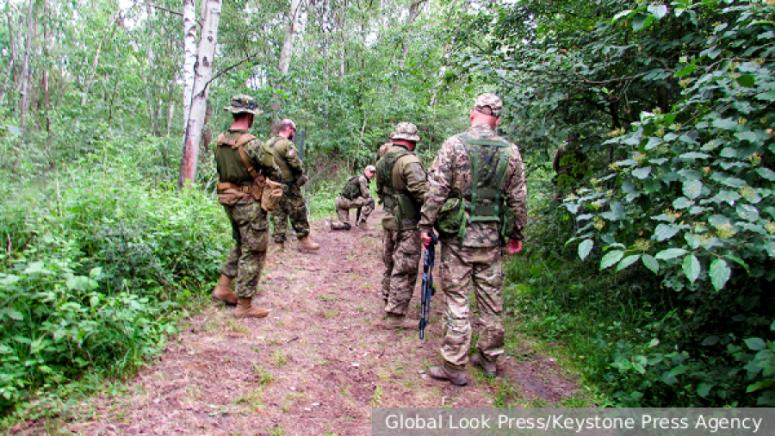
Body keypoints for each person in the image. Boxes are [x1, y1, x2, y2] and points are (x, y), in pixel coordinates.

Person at [418, 93, 527, 385]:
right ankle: (489, 358)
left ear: (472, 114)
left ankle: (455, 366)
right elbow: (518, 198)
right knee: (491, 300)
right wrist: (516, 233)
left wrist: (425, 225)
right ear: (498, 120)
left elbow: (436, 190)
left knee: (457, 298)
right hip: (492, 239)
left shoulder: (454, 145)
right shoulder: (511, 152)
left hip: (458, 239)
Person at [211, 95, 284, 318]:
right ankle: (244, 304)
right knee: (254, 250)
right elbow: (274, 170)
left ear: (234, 113)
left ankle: (223, 287)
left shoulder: (220, 141)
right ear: (250, 117)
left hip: (228, 200)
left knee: (240, 243)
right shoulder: (251, 144)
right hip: (248, 203)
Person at [375, 122, 429, 329]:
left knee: (390, 262)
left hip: (389, 220)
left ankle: (388, 300)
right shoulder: (410, 161)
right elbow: (421, 193)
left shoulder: (381, 162)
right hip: (407, 223)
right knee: (405, 266)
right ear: (411, 141)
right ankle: (395, 315)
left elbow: (380, 191)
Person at [266, 119, 320, 252]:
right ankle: (304, 240)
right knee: (298, 210)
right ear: (289, 129)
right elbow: (295, 164)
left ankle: (279, 244)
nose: (294, 134)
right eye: (294, 131)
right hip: (289, 185)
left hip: (272, 185)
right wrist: (300, 174)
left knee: (278, 213)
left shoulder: (268, 143)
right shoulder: (286, 144)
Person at [330, 165, 376, 230]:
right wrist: (369, 195)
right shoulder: (362, 179)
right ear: (365, 171)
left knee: (347, 226)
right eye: (371, 172)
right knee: (371, 201)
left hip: (339, 201)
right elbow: (365, 195)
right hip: (347, 201)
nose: (372, 174)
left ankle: (335, 225)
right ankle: (362, 223)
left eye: (374, 172)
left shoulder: (354, 178)